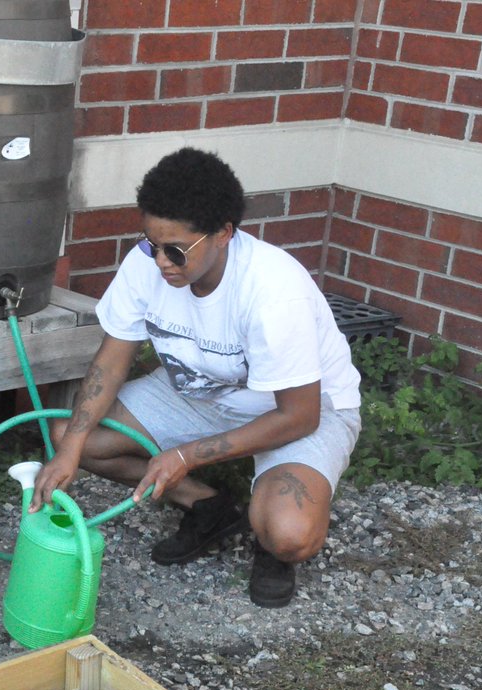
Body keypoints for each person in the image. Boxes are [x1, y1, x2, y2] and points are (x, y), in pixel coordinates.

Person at [32, 147, 361, 608]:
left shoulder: (273, 293)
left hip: (293, 410)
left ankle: (270, 547)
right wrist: (67, 453)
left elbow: (300, 417)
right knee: (73, 435)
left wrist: (185, 454)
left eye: (176, 251)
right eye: (151, 244)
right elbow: (112, 359)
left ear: (223, 233)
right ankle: (210, 507)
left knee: (290, 534)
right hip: (199, 392)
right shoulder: (146, 265)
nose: (161, 261)